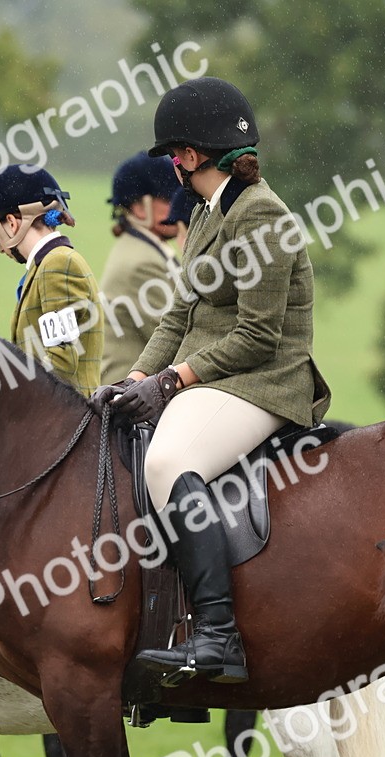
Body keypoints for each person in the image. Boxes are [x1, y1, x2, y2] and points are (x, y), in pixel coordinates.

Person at [93, 77, 331, 683]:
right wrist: (137, 377)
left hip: (266, 382)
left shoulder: (261, 216)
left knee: (169, 463)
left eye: (173, 154)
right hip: (216, 378)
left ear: (192, 157)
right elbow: (180, 313)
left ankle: (217, 636)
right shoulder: (205, 213)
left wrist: (171, 382)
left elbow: (259, 337)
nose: (172, 165)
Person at [0, 165, 104, 396]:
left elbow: (61, 363)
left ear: (11, 223)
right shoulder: (45, 267)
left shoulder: (58, 265)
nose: (1, 248)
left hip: (67, 422)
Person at [98, 152, 182, 384]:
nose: (181, 205)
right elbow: (182, 341)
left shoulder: (144, 249)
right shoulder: (142, 263)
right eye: (169, 198)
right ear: (140, 208)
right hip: (132, 404)